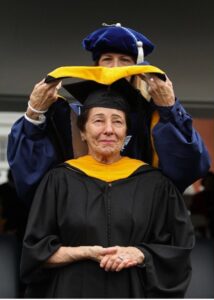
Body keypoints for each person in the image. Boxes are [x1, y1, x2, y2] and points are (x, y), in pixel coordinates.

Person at [20, 79, 195, 298]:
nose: (109, 130)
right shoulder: (59, 180)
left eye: (118, 122)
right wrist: (84, 252)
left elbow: (178, 249)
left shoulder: (155, 184)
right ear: (83, 132)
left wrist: (140, 253)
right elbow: (34, 253)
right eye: (98, 121)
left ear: (126, 134)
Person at [7, 23, 210, 204]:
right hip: (78, 213)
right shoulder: (69, 117)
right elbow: (30, 176)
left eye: (124, 60)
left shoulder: (155, 116)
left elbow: (189, 166)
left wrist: (169, 110)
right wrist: (34, 114)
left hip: (140, 213)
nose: (115, 68)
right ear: (96, 67)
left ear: (137, 70)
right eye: (107, 59)